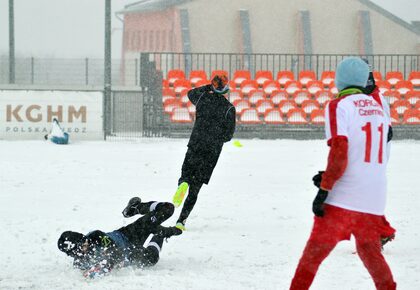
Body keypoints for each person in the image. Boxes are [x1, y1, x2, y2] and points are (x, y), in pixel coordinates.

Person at [290, 57, 396, 290]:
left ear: (339, 80)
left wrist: (324, 188)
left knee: (312, 255)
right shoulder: (377, 107)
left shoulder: (339, 105)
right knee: (370, 253)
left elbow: (340, 152)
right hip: (374, 197)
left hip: (345, 197)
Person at [57, 197, 182, 278]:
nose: (85, 246)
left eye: (84, 242)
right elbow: (90, 275)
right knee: (152, 259)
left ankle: (135, 208)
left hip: (129, 234)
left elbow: (114, 252)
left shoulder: (95, 236)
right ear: (74, 254)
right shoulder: (79, 262)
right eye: (80, 249)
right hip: (131, 253)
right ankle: (159, 235)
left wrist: (101, 267)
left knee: (167, 208)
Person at [172, 74, 236, 230]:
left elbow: (190, 93)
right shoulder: (229, 109)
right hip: (211, 151)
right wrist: (216, 137)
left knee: (186, 174)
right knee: (196, 189)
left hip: (195, 144)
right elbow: (228, 135)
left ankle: (183, 183)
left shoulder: (202, 100)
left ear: (213, 86)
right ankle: (181, 221)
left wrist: (208, 87)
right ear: (226, 90)